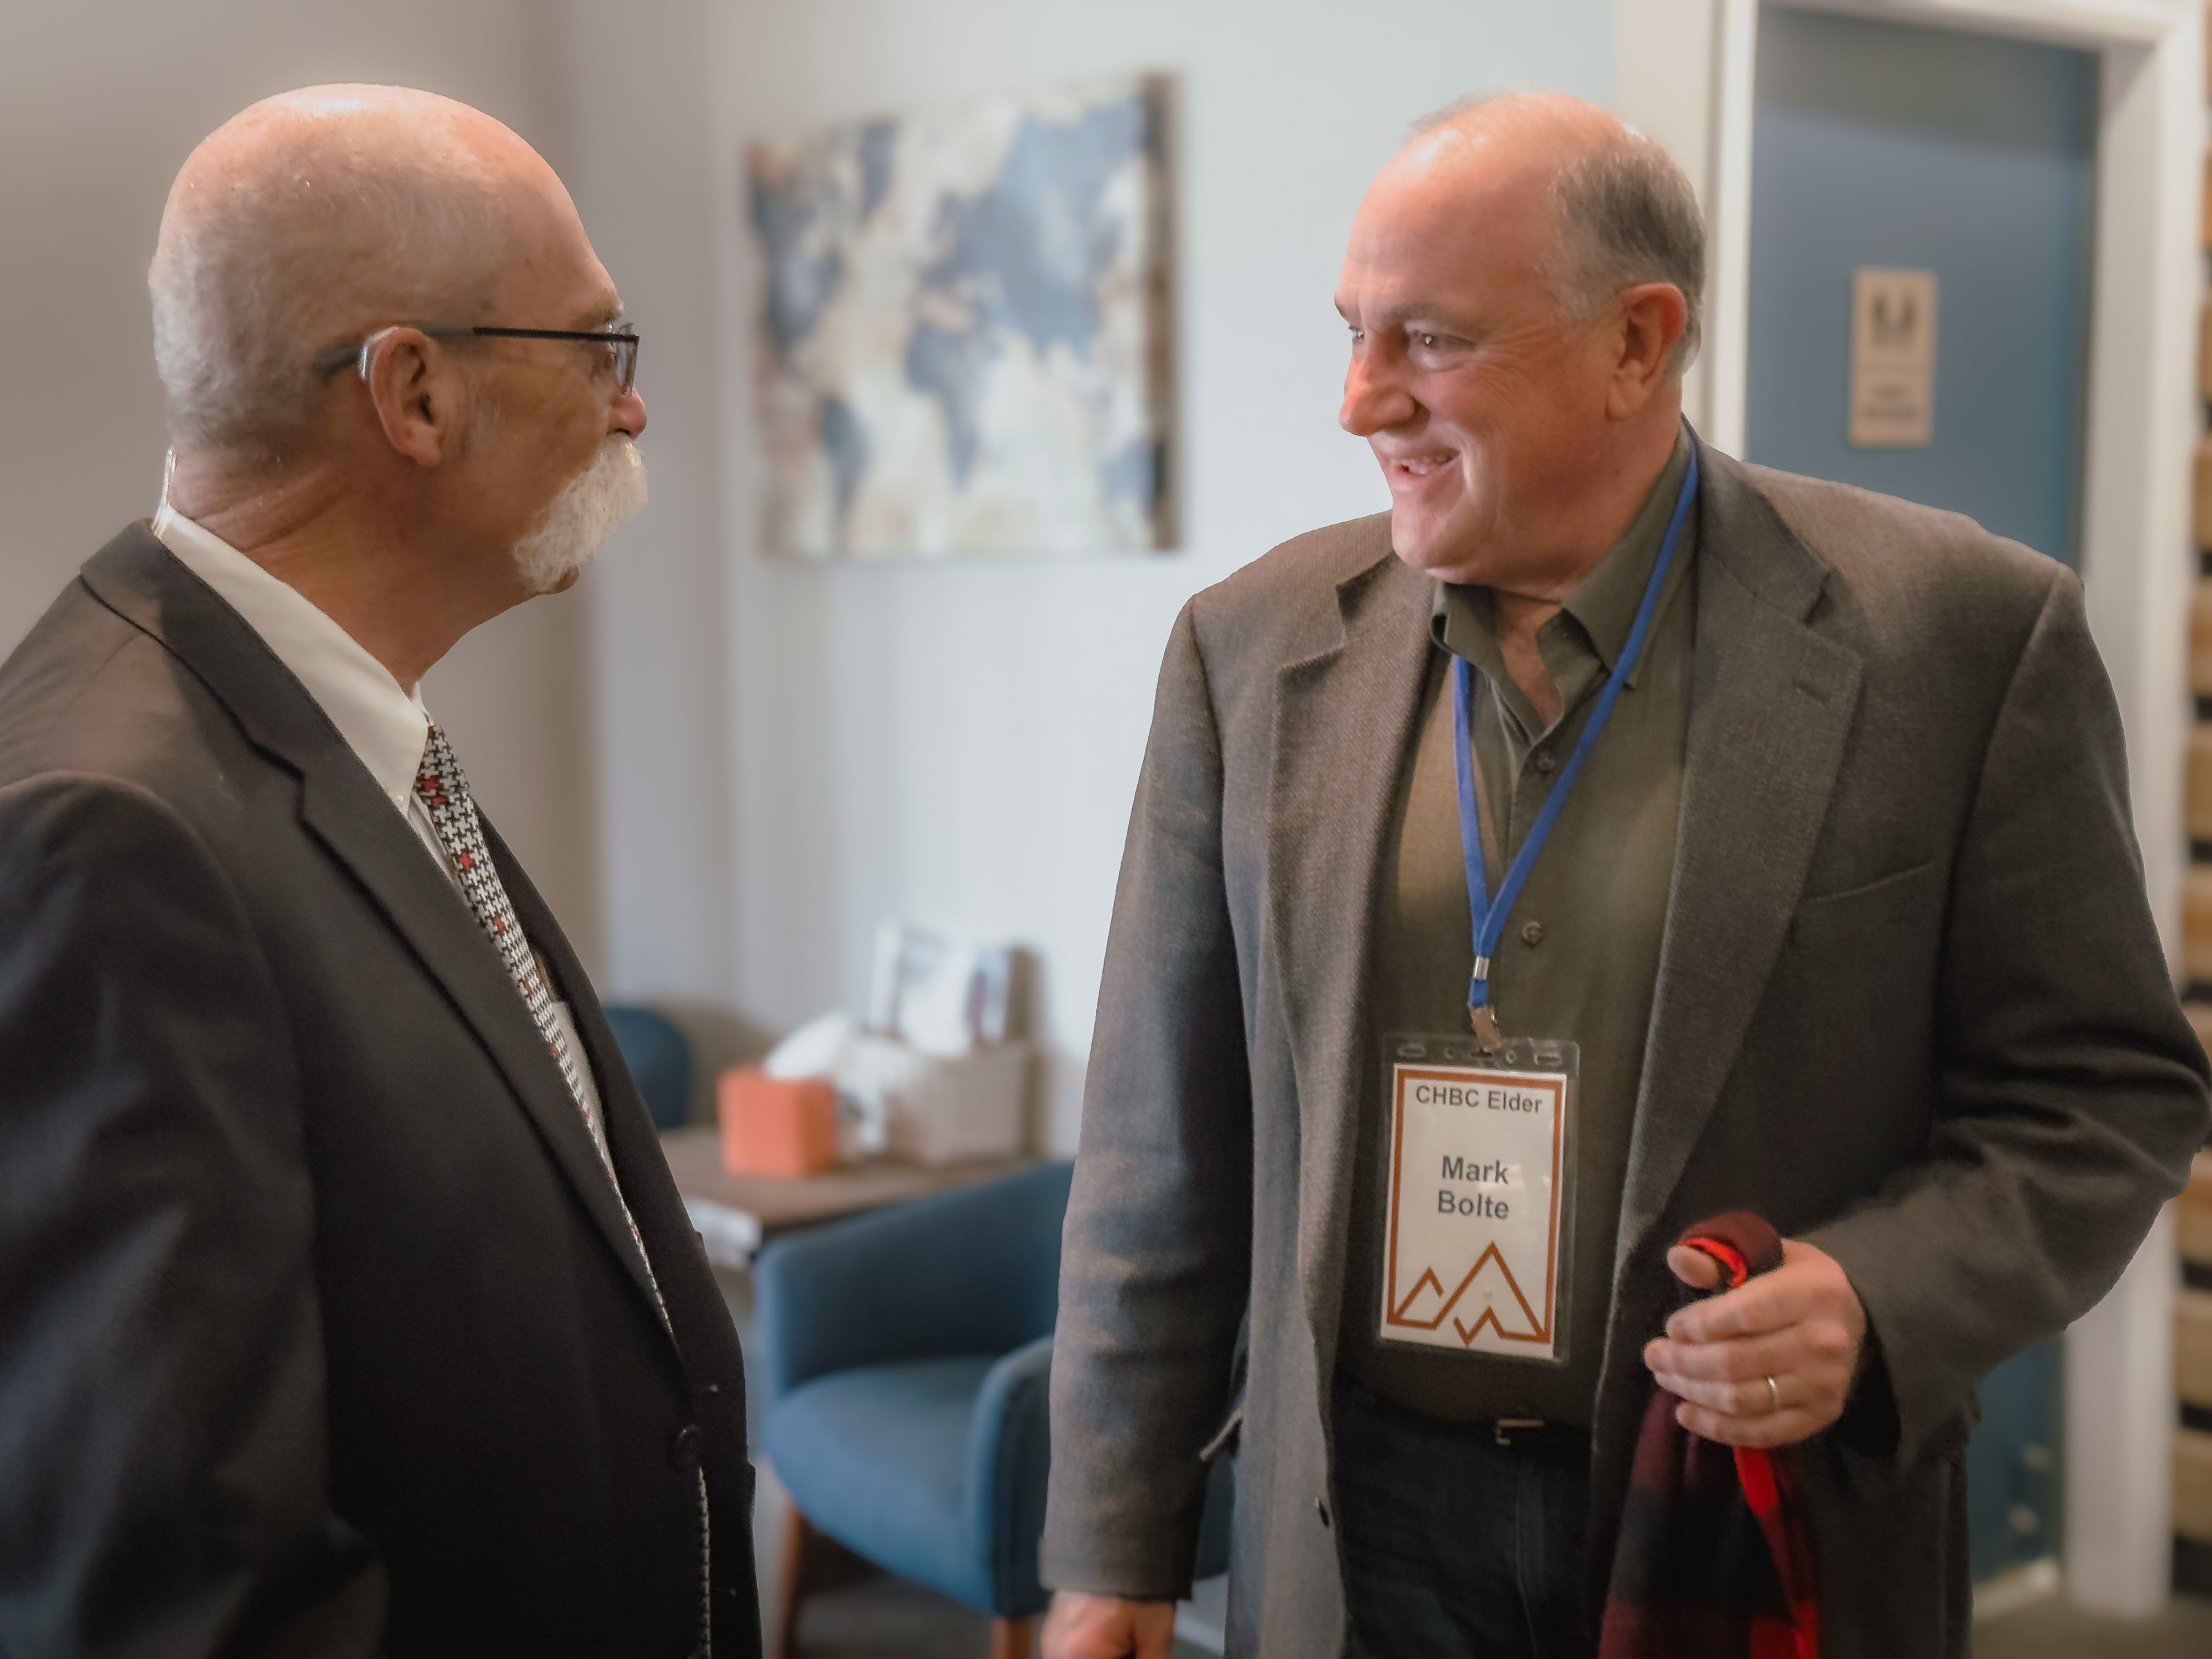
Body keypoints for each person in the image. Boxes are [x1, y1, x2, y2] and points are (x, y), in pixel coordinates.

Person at [1039, 92, 2210, 1658]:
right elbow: (1156, 1154)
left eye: (1431, 340)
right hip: (1351, 1528)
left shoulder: (1962, 637)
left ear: (1637, 344)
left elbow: (2104, 1094)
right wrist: (1110, 1552)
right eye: (1355, 333)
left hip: (1738, 1517)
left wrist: (1877, 1295)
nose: (1360, 400)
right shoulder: (1247, 653)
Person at [0, 87, 759, 1658]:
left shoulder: (330, 732)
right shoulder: (107, 831)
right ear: (414, 392)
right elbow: (185, 1588)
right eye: (598, 348)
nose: (631, 410)